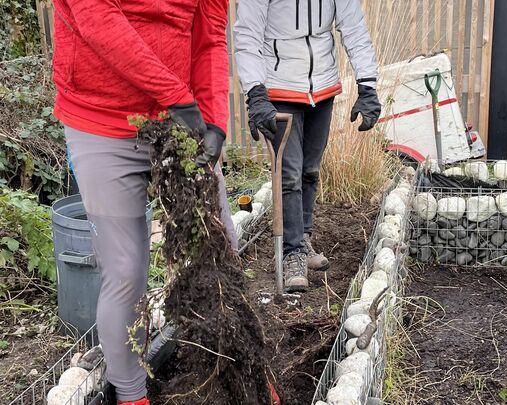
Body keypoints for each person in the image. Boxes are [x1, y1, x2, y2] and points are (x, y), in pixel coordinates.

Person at [51, 1, 233, 403]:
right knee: (125, 269)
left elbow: (209, 39)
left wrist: (215, 115)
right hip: (101, 121)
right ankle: (132, 394)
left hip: (178, 117)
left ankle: (240, 373)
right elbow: (97, 17)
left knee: (221, 249)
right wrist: (176, 95)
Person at [234, 0, 381, 292]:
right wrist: (255, 93)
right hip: (279, 88)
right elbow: (248, 34)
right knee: (289, 176)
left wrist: (367, 85)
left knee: (310, 170)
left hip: (322, 88)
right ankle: (292, 254)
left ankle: (302, 239)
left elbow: (353, 27)